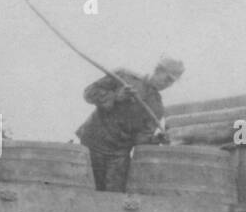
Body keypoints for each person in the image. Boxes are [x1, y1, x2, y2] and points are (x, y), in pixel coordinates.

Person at [77, 56, 185, 192]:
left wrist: (156, 140)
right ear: (158, 70)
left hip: (118, 156)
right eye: (167, 78)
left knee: (114, 198)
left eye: (171, 82)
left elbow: (140, 140)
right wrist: (115, 96)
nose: (167, 84)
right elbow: (88, 93)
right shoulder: (125, 77)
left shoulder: (156, 107)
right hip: (93, 144)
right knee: (85, 190)